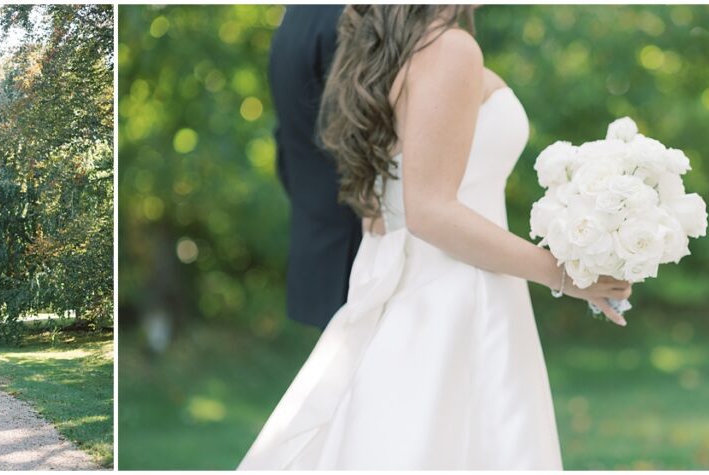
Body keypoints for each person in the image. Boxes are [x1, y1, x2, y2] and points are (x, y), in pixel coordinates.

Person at [239, 5, 632, 469]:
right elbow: (429, 212)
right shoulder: (449, 47)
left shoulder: (388, 47)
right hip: (459, 295)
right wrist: (563, 275)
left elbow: (383, 210)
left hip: (417, 284)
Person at [268, 5, 362, 330]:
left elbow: (285, 143)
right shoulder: (354, 16)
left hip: (318, 235)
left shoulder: (293, 17)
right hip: (358, 241)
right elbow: (363, 137)